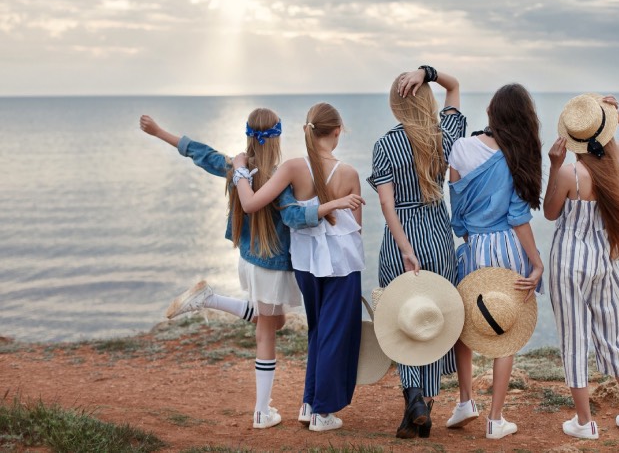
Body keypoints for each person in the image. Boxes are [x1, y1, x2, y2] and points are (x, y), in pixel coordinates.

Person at [139, 111, 352, 430]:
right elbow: (293, 215)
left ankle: (211, 299)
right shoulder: (278, 178)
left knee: (275, 322)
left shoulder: (236, 168)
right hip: (274, 268)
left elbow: (200, 153)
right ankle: (261, 411)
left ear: (248, 136)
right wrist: (327, 208)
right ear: (277, 138)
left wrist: (159, 132)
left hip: (250, 262)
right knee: (267, 331)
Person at [232, 102, 366, 433]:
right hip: (341, 264)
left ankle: (310, 402)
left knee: (319, 329)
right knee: (336, 332)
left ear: (308, 130)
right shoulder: (348, 173)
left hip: (305, 262)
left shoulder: (292, 167)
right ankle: (322, 413)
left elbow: (251, 204)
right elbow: (357, 228)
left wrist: (238, 171)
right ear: (337, 132)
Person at [542, 93, 619, 440]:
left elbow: (550, 212)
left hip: (569, 263)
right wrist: (615, 112)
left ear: (570, 138)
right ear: (603, 133)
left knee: (574, 337)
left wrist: (553, 165)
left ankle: (585, 422)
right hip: (604, 260)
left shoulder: (571, 173)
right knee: (614, 334)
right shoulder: (612, 162)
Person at [367, 65, 465, 439]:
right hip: (439, 233)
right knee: (432, 315)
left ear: (395, 105)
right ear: (426, 97)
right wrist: (428, 72)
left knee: (401, 317)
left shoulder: (385, 144)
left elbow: (387, 206)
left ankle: (414, 399)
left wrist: (406, 248)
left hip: (401, 238)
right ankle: (423, 402)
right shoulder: (445, 134)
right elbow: (454, 86)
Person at [447, 83, 546, 439]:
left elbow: (456, 207)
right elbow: (519, 217)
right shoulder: (516, 154)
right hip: (506, 247)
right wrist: (536, 263)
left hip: (473, 247)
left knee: (466, 324)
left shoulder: (460, 148)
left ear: (491, 113)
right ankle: (495, 419)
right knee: (507, 328)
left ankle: (465, 401)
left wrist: (468, 234)